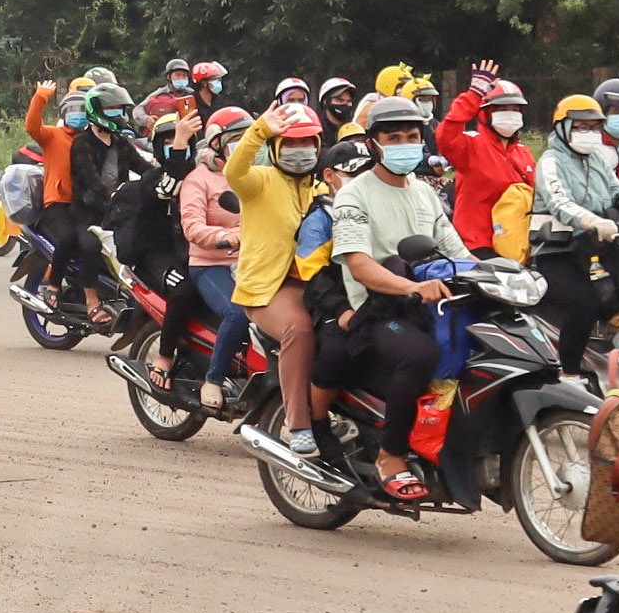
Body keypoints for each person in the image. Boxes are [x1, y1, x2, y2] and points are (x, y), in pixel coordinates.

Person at [317, 94, 461, 503]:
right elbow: (360, 266)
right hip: (377, 309)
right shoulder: (354, 196)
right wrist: (411, 288)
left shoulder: (424, 193)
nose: (404, 143)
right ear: (374, 143)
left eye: (412, 136)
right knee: (419, 355)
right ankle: (391, 454)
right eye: (393, 136)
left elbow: (456, 251)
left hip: (426, 302)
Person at [222, 103, 338, 485]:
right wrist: (258, 131)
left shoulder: (322, 187)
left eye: (308, 142)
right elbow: (232, 172)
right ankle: (299, 422)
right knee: (300, 329)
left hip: (318, 284)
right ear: (275, 148)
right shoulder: (259, 181)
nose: (300, 148)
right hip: (269, 288)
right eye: (290, 142)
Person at [530, 91, 619, 378]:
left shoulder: (597, 160)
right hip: (557, 251)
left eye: (593, 127)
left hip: (594, 245)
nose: (588, 133)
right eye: (579, 127)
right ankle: (569, 372)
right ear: (562, 128)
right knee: (583, 300)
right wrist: (590, 220)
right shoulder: (550, 161)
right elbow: (559, 202)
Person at [174, 105, 251, 409]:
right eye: (236, 138)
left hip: (253, 260)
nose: (244, 145)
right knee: (239, 312)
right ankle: (214, 379)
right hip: (212, 264)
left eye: (249, 138)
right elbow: (191, 226)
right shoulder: (199, 179)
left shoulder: (253, 175)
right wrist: (225, 237)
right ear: (217, 143)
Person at [435, 69, 534, 259]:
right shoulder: (471, 147)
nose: (510, 114)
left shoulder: (524, 153)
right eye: (503, 109)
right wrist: (473, 96)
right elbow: (445, 136)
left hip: (519, 244)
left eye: (515, 109)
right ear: (485, 113)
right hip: (479, 246)